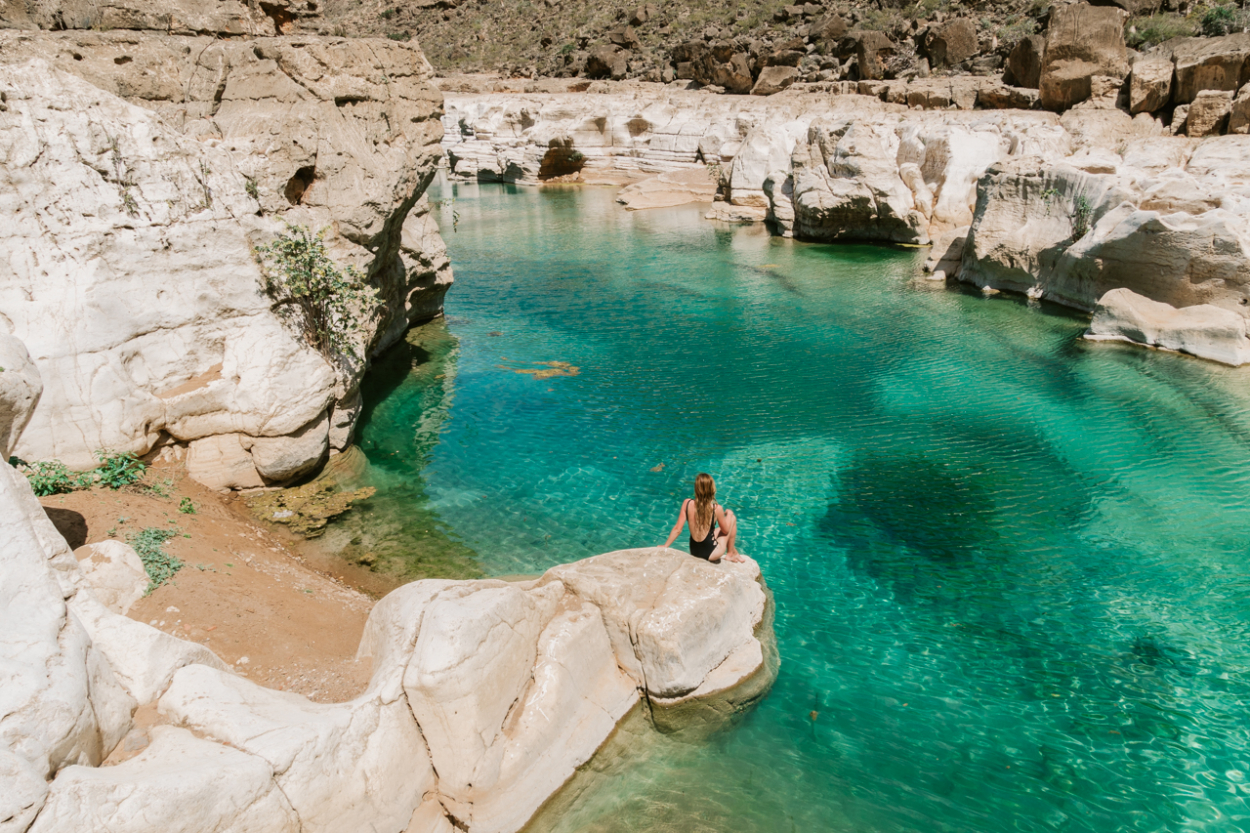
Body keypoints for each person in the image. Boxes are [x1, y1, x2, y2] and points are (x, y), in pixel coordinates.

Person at [661, 472, 744, 562]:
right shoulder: (716, 508)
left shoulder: (687, 503)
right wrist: (729, 514)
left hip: (694, 551)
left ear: (696, 488)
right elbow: (726, 531)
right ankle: (730, 554)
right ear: (712, 488)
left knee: (714, 531)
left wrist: (665, 546)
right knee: (732, 519)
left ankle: (733, 552)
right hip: (711, 553)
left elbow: (677, 529)